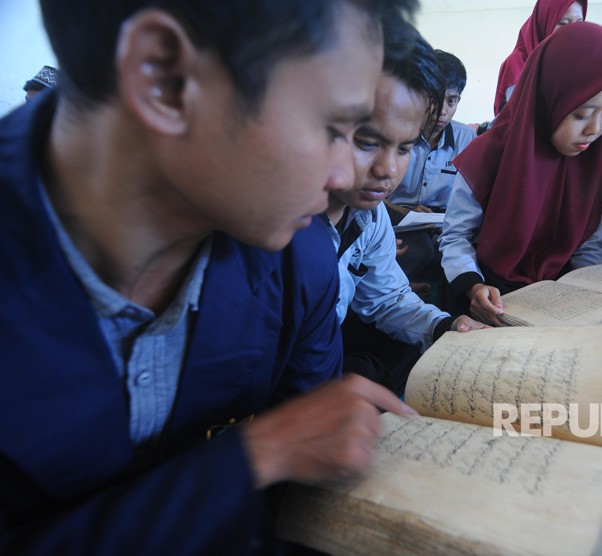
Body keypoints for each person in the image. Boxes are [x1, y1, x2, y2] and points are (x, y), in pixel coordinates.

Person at [0, 0, 421, 553]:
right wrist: (252, 457)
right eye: (334, 128)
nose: (345, 174)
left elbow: (303, 497)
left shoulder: (303, 256)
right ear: (166, 78)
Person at [440, 21, 602, 325]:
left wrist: (590, 292)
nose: (594, 129)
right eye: (581, 114)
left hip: (558, 301)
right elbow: (456, 236)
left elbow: (588, 246)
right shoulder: (489, 154)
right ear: (546, 100)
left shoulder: (595, 170)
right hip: (488, 295)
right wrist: (473, 287)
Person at [324, 32, 485, 397]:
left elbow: (388, 299)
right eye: (367, 143)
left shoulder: (369, 216)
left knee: (407, 348)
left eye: (405, 148)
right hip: (276, 385)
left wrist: (446, 326)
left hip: (321, 353)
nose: (387, 169)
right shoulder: (279, 226)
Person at [385, 49, 476, 287]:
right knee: (420, 249)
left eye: (451, 100)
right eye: (434, 98)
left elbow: (470, 200)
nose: (442, 110)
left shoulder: (467, 138)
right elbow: (371, 199)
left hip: (445, 223)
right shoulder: (393, 132)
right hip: (394, 217)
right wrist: (404, 213)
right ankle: (393, 290)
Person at [493, 0, 586, 116]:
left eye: (579, 23)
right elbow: (522, 118)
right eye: (563, 23)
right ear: (544, 24)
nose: (573, 31)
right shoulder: (518, 61)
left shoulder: (574, 62)